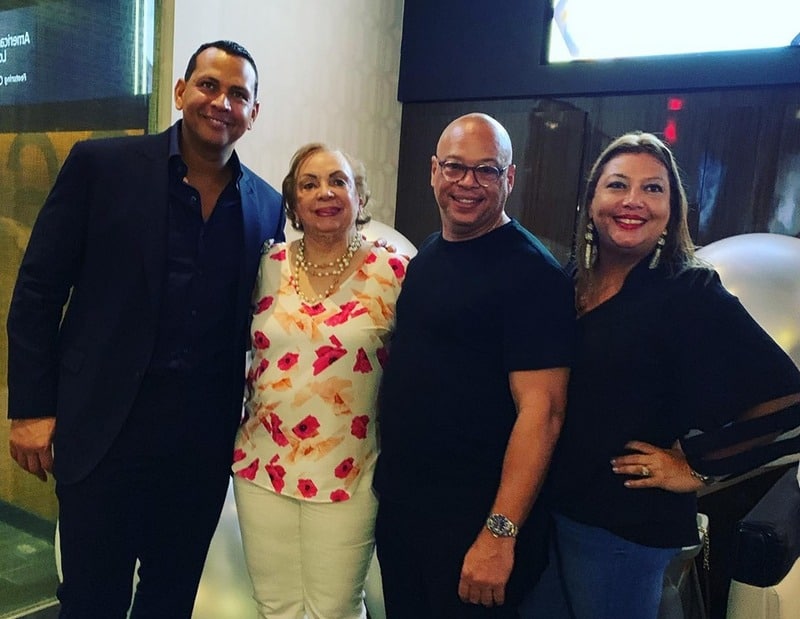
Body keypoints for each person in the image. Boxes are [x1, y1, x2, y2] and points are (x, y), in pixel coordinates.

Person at [6, 40, 285, 618]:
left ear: (253, 113)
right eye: (209, 85)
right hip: (104, 430)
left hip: (199, 447)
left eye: (239, 94)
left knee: (170, 597)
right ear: (182, 92)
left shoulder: (267, 205)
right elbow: (38, 289)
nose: (222, 102)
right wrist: (30, 407)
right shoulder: (100, 166)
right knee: (91, 598)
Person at [522, 131, 800, 619]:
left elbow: (786, 397)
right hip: (548, 509)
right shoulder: (569, 282)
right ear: (591, 202)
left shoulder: (690, 291)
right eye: (617, 185)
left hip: (622, 527)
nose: (633, 201)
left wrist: (693, 465)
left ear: (673, 210)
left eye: (653, 189)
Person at [373, 112, 576, 618]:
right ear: (433, 171)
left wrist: (499, 535)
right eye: (456, 167)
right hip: (406, 515)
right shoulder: (428, 256)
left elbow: (543, 412)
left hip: (475, 529)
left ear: (509, 178)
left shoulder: (533, 274)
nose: (468, 183)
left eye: (487, 170)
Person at [231, 143, 408, 618]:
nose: (324, 193)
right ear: (292, 202)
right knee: (275, 606)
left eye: (338, 181)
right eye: (309, 184)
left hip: (349, 473)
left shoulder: (395, 273)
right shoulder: (265, 268)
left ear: (360, 197)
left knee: (335, 610)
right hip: (261, 467)